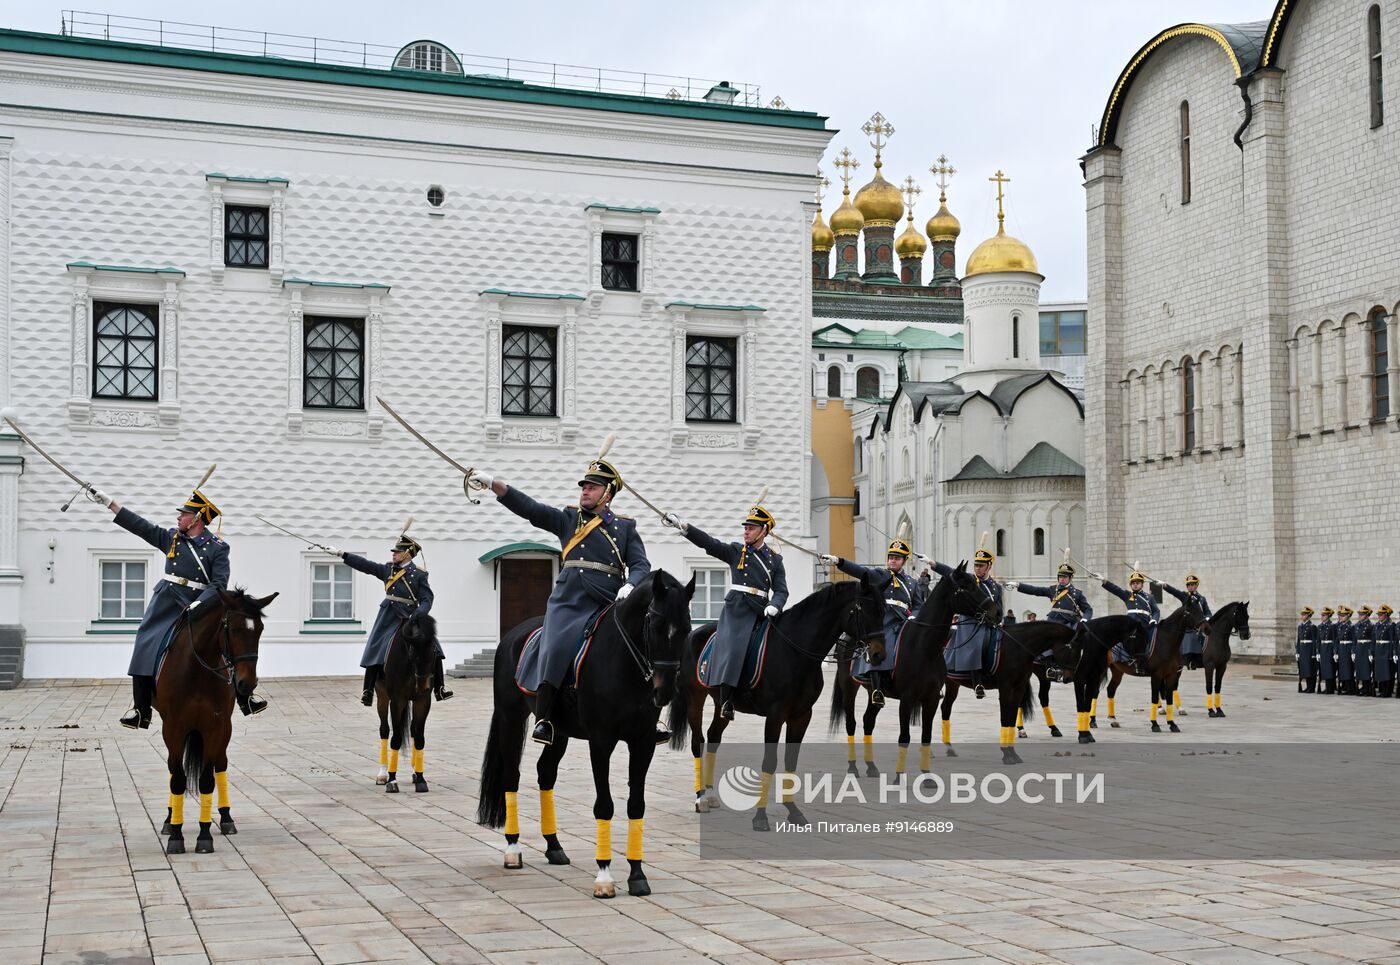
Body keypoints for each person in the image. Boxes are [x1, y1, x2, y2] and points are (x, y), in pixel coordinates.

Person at [468, 457, 650, 745]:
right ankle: (545, 716)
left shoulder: (626, 529)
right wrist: (494, 485)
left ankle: (650, 713)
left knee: (644, 643)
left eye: (592, 487)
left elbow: (640, 565)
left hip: (609, 599)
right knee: (556, 645)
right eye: (584, 487)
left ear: (608, 494)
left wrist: (630, 584)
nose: (585, 492)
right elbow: (531, 509)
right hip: (571, 601)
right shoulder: (568, 519)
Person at [85, 485, 266, 727]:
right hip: (168, 601)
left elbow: (219, 582)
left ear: (197, 519)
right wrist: (110, 504)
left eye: (184, 514)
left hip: (202, 603)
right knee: (145, 640)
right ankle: (141, 709)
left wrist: (200, 603)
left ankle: (245, 698)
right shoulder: (171, 538)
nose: (178, 517)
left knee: (228, 639)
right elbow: (141, 527)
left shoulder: (218, 548)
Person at [669, 503, 787, 718]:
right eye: (745, 527)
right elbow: (710, 544)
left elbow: (781, 590)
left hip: (763, 609)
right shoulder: (735, 551)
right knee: (733, 646)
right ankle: (726, 699)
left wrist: (774, 605)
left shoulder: (775, 560)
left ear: (764, 531)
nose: (746, 531)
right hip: (738, 609)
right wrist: (685, 528)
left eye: (751, 528)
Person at [327, 532, 450, 706]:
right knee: (375, 645)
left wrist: (419, 615)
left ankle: (440, 687)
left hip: (411, 616)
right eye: (394, 552)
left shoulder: (420, 574)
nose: (393, 554)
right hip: (389, 615)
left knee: (433, 647)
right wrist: (341, 554)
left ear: (408, 554)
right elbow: (366, 565)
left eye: (397, 552)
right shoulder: (388, 569)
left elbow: (427, 599)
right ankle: (368, 690)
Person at [819, 539, 921, 706]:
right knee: (883, 642)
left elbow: (918, 604)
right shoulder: (879, 575)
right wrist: (839, 561)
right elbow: (860, 571)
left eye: (897, 558)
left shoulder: (912, 583)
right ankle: (877, 686)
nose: (893, 560)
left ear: (904, 561)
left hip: (904, 621)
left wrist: (914, 616)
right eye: (891, 557)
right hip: (884, 618)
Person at [930, 548, 1003, 697]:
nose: (978, 568)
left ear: (989, 566)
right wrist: (934, 564)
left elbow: (999, 608)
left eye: (981, 565)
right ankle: (977, 682)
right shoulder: (970, 580)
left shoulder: (996, 587)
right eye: (976, 565)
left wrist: (997, 620)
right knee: (976, 644)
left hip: (990, 624)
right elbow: (951, 572)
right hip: (971, 622)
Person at [1093, 566, 1158, 675]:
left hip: (1145, 624)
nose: (1135, 584)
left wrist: (1154, 620)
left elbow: (1156, 611)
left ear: (1142, 584)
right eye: (1133, 583)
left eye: (1137, 582)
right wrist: (1104, 581)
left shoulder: (1149, 597)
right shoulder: (1127, 595)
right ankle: (1132, 661)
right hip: (1130, 626)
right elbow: (1116, 590)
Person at [1155, 574, 1212, 670]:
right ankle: (1189, 660)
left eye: (1192, 584)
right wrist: (1164, 585)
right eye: (1188, 585)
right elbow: (1174, 592)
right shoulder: (1185, 596)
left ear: (1196, 585)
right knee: (1190, 636)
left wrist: (1207, 618)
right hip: (1190, 625)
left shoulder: (1202, 599)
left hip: (1200, 624)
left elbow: (1207, 612)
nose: (1190, 586)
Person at [1295, 607, 1319, 694]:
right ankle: (1307, 686)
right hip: (1302, 650)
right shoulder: (1300, 626)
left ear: (1309, 615)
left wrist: (1313, 653)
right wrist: (1297, 651)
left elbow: (1314, 641)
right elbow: (1298, 640)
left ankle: (1311, 687)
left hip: (1309, 650)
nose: (1302, 616)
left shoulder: (1312, 627)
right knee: (1304, 669)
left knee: (1310, 669)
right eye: (1302, 614)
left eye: (1304, 614)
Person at [1354, 606, 1376, 697]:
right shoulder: (1357, 625)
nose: (1360, 616)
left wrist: (1370, 652)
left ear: (1367, 615)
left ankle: (1367, 688)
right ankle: (1363, 687)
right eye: (1359, 614)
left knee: (1366, 669)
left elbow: (1372, 639)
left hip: (1366, 648)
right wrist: (1353, 651)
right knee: (1360, 669)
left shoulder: (1370, 626)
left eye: (1362, 614)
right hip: (1359, 648)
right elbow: (1355, 639)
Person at [1376, 605, 1397, 699]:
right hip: (1379, 649)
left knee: (1387, 672)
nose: (1379, 616)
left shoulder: (1390, 625)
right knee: (1381, 671)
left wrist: (1392, 653)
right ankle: (1382, 690)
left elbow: (1393, 640)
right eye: (1379, 614)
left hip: (1386, 649)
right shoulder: (1378, 624)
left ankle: (1387, 691)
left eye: (1381, 614)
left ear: (1386, 615)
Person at [1335, 605, 1356, 695]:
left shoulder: (1351, 626)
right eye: (1341, 615)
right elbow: (1337, 640)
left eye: (1343, 615)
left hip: (1348, 648)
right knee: (1343, 669)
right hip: (1341, 648)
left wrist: (1352, 651)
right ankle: (1345, 687)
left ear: (1348, 616)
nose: (1341, 617)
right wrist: (1336, 651)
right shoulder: (1340, 626)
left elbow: (1354, 639)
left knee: (1348, 669)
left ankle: (1350, 688)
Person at [1317, 607, 1338, 694]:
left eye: (1324, 615)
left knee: (1330, 668)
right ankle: (1327, 687)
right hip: (1323, 648)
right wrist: (1318, 651)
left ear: (1329, 616)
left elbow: (1334, 639)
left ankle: (1330, 688)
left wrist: (1334, 651)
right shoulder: (1320, 626)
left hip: (1329, 648)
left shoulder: (1332, 626)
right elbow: (1318, 640)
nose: (1322, 616)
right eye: (1322, 615)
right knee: (1324, 668)